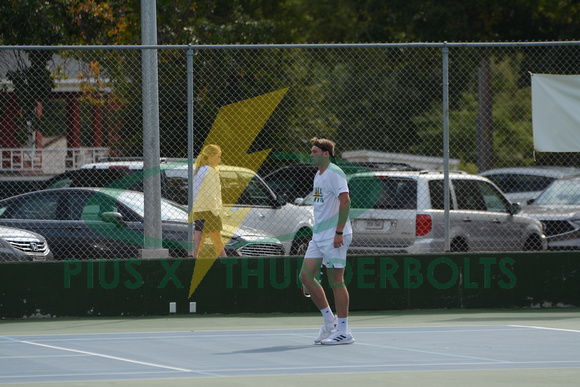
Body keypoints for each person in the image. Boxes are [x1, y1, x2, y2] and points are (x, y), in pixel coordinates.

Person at [300, 137, 354, 345]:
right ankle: (329, 322)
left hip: (335, 236)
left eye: (315, 151)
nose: (311, 154)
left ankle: (344, 331)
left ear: (326, 154)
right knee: (305, 276)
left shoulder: (335, 173)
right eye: (311, 151)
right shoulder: (318, 175)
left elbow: (345, 201)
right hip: (319, 236)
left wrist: (339, 232)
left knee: (336, 281)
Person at [190, 144, 226, 259]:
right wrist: (215, 211)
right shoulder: (210, 171)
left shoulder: (198, 170)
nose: (219, 159)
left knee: (199, 242)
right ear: (211, 156)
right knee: (218, 243)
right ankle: (228, 265)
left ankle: (193, 263)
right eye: (218, 156)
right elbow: (210, 194)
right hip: (209, 211)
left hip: (199, 210)